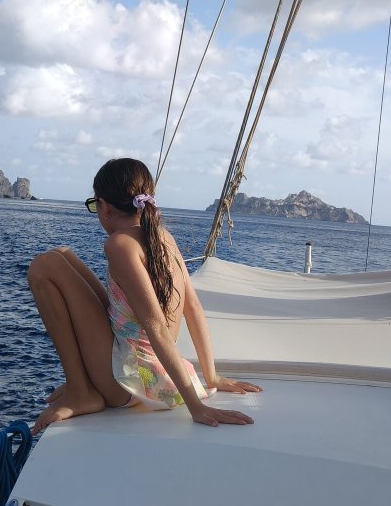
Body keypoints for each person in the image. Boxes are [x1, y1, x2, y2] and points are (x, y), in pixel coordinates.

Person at [28, 157, 261, 433]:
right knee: (63, 254)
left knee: (44, 266)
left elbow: (156, 328)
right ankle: (80, 384)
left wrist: (196, 408)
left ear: (104, 207)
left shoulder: (120, 244)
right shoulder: (164, 237)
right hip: (160, 377)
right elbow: (193, 307)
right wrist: (210, 376)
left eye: (95, 205)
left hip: (131, 380)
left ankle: (81, 392)